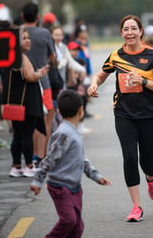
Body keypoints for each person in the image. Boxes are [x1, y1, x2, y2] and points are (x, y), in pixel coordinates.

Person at [87, 14, 153, 222]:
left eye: (133, 28)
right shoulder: (116, 55)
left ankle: (151, 178)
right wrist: (94, 83)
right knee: (130, 157)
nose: (129, 33)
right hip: (124, 114)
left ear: (141, 31)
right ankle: (136, 207)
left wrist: (143, 81)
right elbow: (101, 75)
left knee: (148, 160)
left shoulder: (152, 55)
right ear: (121, 33)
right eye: (125, 29)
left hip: (149, 115)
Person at [30, 90, 111, 238]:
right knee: (69, 220)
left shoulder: (73, 132)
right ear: (81, 110)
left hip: (74, 188)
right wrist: (38, 179)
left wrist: (96, 176)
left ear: (59, 111)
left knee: (77, 226)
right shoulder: (63, 134)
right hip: (60, 187)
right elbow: (50, 159)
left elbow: (82, 160)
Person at [2, 29, 50, 178]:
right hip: (27, 103)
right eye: (24, 38)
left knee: (17, 135)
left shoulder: (10, 57)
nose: (28, 40)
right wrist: (41, 73)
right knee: (27, 135)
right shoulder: (21, 57)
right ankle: (29, 166)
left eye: (28, 37)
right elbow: (29, 76)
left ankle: (16, 166)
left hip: (15, 103)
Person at [21, 2, 56, 167]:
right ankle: (43, 155)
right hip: (43, 82)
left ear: (22, 16)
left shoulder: (19, 33)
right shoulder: (44, 33)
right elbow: (53, 56)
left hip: (22, 83)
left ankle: (32, 156)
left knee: (29, 122)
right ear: (38, 17)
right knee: (46, 121)